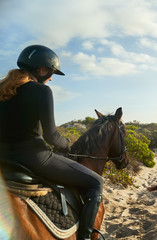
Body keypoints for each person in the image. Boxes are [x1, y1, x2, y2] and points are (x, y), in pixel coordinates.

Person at [0, 45, 102, 240]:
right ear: (41, 70)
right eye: (52, 73)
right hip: (34, 158)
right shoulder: (41, 91)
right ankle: (86, 238)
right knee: (96, 182)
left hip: (3, 157)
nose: (51, 78)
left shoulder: (3, 89)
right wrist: (66, 144)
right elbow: (51, 136)